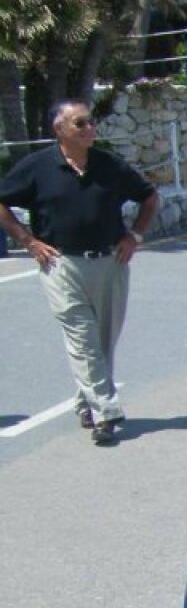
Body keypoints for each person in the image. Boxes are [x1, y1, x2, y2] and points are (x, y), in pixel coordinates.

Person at [0, 99, 157, 445]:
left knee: (102, 341)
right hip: (61, 264)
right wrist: (27, 241)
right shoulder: (37, 167)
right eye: (80, 123)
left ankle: (87, 403)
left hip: (110, 262)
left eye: (91, 122)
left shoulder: (108, 165)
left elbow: (148, 196)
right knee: (82, 338)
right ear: (59, 129)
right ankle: (106, 411)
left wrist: (136, 236)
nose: (90, 129)